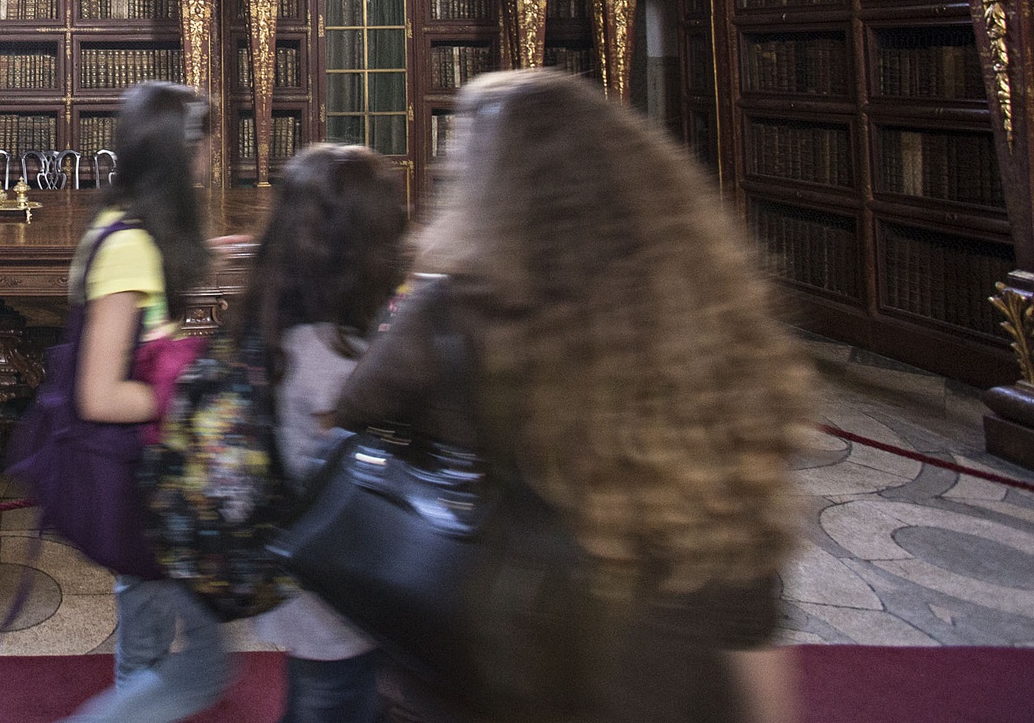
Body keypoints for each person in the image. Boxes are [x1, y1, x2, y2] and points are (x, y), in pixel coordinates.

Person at [335, 68, 814, 723]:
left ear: (491, 191)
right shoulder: (699, 322)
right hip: (675, 677)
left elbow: (355, 411)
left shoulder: (453, 313)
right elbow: (745, 580)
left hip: (511, 659)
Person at [60, 80, 234, 723]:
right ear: (184, 154)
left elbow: (146, 327)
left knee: (146, 642)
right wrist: (192, 387)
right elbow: (100, 395)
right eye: (209, 141)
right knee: (204, 663)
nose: (214, 154)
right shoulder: (130, 247)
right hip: (146, 476)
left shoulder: (123, 224)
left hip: (148, 473)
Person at [235, 144, 405, 723]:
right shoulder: (334, 360)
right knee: (332, 702)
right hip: (341, 591)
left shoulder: (281, 326)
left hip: (314, 579)